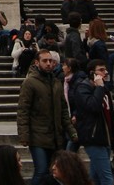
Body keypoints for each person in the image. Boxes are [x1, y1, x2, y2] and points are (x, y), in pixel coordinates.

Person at [17, 49, 75, 177]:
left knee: (52, 173)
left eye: (50, 61)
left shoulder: (56, 82)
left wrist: (71, 131)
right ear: (37, 63)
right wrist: (24, 135)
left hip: (55, 135)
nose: (48, 63)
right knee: (41, 170)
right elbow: (23, 110)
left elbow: (64, 110)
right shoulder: (30, 82)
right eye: (45, 61)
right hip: (37, 135)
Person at [70, 58, 114, 185]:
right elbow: (93, 107)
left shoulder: (103, 89)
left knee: (95, 177)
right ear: (92, 73)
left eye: (105, 69)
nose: (106, 72)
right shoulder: (83, 88)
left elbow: (110, 117)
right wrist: (99, 87)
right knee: (107, 177)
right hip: (94, 137)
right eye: (101, 70)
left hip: (105, 138)